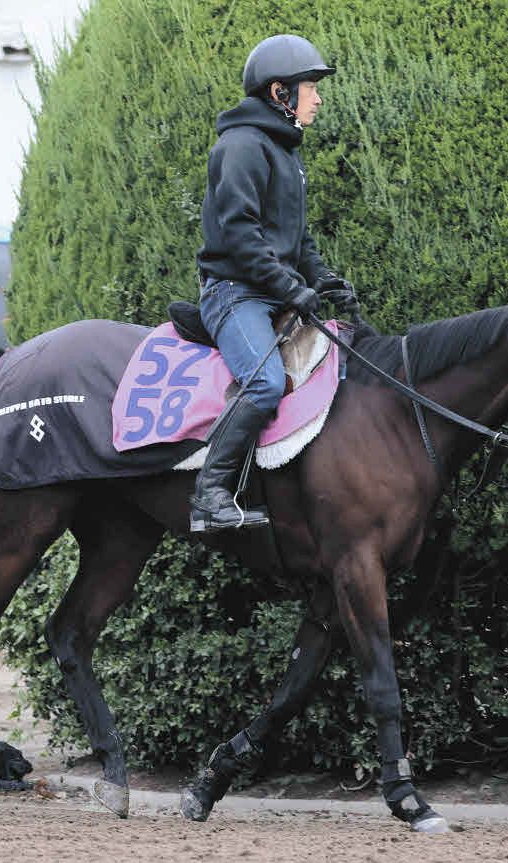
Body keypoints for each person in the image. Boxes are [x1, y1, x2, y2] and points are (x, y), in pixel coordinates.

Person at [191, 34, 358, 534]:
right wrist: (290, 287)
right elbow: (241, 237)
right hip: (234, 293)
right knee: (264, 384)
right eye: (311, 88)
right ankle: (210, 495)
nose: (319, 98)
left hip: (270, 290)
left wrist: (323, 279)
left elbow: (296, 237)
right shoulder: (240, 146)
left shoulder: (285, 152)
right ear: (281, 93)